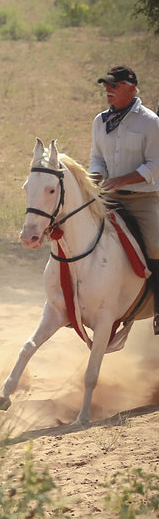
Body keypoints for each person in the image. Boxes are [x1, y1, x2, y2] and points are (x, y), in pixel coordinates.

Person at [88, 65, 159, 334]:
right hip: (109, 197)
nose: (108, 90)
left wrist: (123, 179)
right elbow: (97, 158)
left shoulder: (150, 122)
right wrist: (95, 176)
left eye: (114, 86)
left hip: (143, 200)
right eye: (106, 85)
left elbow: (156, 165)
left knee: (155, 249)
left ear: (131, 87)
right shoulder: (100, 121)